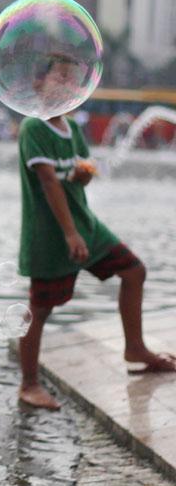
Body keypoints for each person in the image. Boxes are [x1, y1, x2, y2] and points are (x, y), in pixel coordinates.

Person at [17, 55, 176, 410]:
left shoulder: (73, 130)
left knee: (134, 271)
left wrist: (84, 177)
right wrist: (71, 235)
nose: (67, 86)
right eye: (59, 78)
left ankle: (134, 347)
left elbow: (75, 175)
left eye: (72, 81)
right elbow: (47, 182)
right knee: (39, 309)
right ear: (38, 85)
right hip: (49, 235)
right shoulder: (33, 128)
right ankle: (28, 384)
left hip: (85, 225)